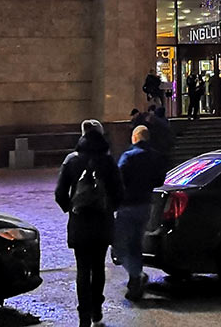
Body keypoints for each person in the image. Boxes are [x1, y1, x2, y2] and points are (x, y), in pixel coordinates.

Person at [55, 120, 123, 327]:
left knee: (83, 270)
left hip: (80, 224)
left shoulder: (71, 160)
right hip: (102, 224)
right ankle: (97, 313)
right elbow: (120, 193)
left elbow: (59, 193)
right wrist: (109, 208)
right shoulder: (108, 161)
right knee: (98, 268)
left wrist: (71, 209)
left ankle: (83, 317)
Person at [115, 124, 165, 300]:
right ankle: (135, 280)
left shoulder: (128, 157)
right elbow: (160, 179)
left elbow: (118, 180)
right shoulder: (155, 157)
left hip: (128, 205)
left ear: (135, 137)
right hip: (145, 205)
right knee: (135, 243)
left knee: (120, 246)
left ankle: (136, 275)